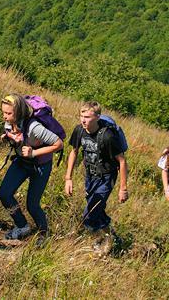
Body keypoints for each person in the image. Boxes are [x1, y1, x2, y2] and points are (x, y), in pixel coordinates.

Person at [64, 101, 128, 255]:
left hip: (106, 177)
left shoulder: (107, 136)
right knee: (96, 210)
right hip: (90, 176)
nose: (83, 120)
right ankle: (111, 235)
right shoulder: (79, 130)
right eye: (81, 116)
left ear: (98, 117)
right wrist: (68, 178)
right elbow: (74, 152)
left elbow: (122, 161)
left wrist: (123, 188)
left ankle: (105, 242)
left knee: (89, 215)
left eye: (87, 117)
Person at [0, 94, 63, 242]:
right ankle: (22, 226)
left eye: (9, 113)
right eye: (3, 112)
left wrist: (34, 152)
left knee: (32, 205)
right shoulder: (10, 123)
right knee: (4, 194)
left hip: (40, 166)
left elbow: (59, 144)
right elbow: (18, 137)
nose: (5, 117)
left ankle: (43, 235)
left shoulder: (35, 127)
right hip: (22, 162)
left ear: (19, 112)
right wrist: (8, 137)